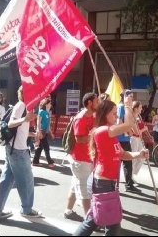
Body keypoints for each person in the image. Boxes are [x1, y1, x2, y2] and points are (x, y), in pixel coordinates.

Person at [73, 97, 149, 236]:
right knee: (110, 223)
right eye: (114, 113)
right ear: (105, 113)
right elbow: (129, 125)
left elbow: (123, 154)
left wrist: (139, 154)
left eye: (116, 113)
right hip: (103, 183)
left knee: (95, 220)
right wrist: (127, 106)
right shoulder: (103, 130)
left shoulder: (110, 133)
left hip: (108, 183)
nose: (116, 116)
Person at [0, 86, 42, 219]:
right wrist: (25, 119)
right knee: (27, 180)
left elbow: (19, 130)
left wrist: (31, 134)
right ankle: (27, 209)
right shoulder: (21, 105)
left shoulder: (24, 106)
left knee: (7, 180)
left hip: (14, 149)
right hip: (18, 151)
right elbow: (12, 124)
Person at [64, 92, 98, 221]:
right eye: (96, 101)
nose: (98, 103)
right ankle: (90, 220)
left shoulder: (93, 116)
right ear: (90, 103)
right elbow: (79, 139)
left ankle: (68, 210)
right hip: (80, 159)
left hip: (86, 158)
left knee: (75, 184)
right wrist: (94, 135)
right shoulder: (81, 118)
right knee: (84, 190)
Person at [117, 89, 141, 193]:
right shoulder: (121, 107)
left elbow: (131, 123)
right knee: (119, 163)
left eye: (132, 96)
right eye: (130, 96)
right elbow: (120, 122)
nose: (132, 98)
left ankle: (129, 184)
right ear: (125, 97)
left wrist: (134, 131)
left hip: (125, 139)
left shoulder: (128, 108)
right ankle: (116, 186)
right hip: (120, 139)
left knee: (128, 163)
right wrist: (129, 131)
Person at [32, 98, 55, 168]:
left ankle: (35, 161)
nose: (50, 105)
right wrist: (39, 132)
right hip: (42, 131)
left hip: (45, 132)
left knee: (40, 148)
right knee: (46, 147)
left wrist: (51, 133)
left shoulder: (47, 113)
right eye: (49, 103)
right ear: (46, 104)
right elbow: (38, 122)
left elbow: (48, 124)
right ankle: (50, 162)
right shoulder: (41, 112)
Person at [130, 101, 149, 181]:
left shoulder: (140, 117)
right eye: (140, 107)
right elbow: (135, 131)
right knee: (134, 157)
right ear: (136, 108)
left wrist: (144, 131)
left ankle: (133, 172)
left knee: (143, 156)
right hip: (134, 138)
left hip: (140, 139)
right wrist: (142, 130)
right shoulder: (131, 116)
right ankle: (130, 176)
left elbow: (145, 128)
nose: (142, 109)